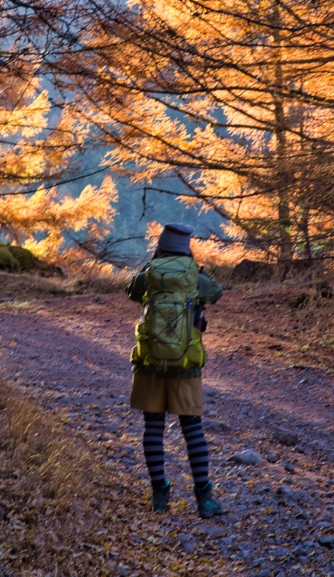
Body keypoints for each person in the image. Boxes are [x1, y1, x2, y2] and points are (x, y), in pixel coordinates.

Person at [126, 221, 224, 518]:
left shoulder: (150, 273)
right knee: (192, 429)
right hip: (185, 364)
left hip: (150, 363)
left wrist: (151, 269)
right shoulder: (196, 275)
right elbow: (216, 293)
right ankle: (204, 500)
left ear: (161, 246)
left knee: (153, 428)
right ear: (186, 246)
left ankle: (159, 494)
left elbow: (131, 291)